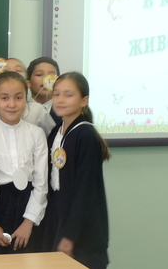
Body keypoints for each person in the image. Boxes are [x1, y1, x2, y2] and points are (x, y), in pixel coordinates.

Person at [0, 71, 48, 254]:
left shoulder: (36, 133)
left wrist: (29, 222)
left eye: (18, 98)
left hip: (29, 207)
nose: (12, 104)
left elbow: (41, 182)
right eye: (4, 98)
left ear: (26, 99)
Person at [46, 72, 110, 269]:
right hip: (59, 217)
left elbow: (85, 191)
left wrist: (70, 236)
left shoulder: (85, 135)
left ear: (84, 100)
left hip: (82, 227)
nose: (60, 100)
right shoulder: (56, 132)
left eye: (68, 95)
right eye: (57, 94)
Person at [0, 58, 56, 136]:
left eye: (18, 70)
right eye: (5, 71)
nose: (12, 73)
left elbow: (52, 137)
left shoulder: (37, 110)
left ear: (28, 83)